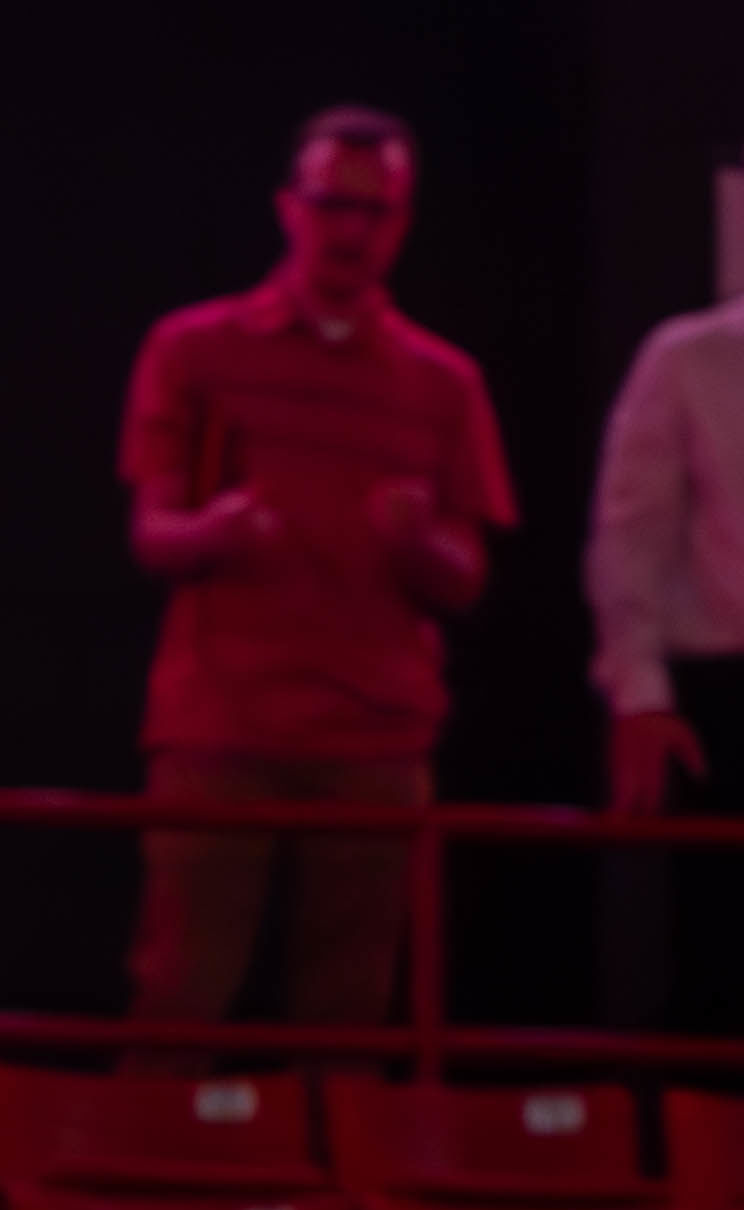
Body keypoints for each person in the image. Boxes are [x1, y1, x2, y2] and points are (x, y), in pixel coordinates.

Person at [122, 109, 515, 1035]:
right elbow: (152, 535)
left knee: (347, 1017)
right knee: (180, 994)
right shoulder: (195, 348)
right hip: (223, 729)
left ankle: (338, 1185)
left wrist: (421, 545)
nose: (351, 229)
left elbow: (467, 577)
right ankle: (142, 1179)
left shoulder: (442, 382)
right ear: (288, 209)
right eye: (333, 204)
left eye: (376, 211)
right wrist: (217, 530)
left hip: (373, 745)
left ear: (404, 224)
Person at [584, 281, 744, 1032]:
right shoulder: (691, 357)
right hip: (727, 692)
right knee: (721, 975)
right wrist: (641, 694)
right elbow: (630, 536)